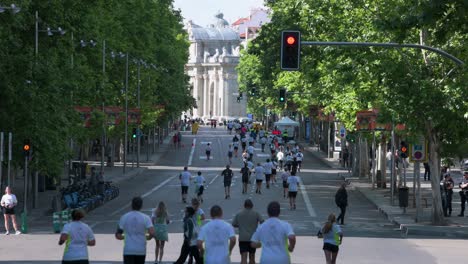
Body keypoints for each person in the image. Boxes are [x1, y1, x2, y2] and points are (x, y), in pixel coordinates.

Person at [115, 197, 155, 264]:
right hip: (141, 249)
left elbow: (118, 235)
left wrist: (125, 237)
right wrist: (148, 237)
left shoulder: (124, 217)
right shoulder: (146, 218)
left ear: (131, 205)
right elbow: (152, 232)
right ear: (141, 206)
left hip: (128, 250)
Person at [232, 199, 264, 264]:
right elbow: (262, 222)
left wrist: (240, 226)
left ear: (244, 205)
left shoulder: (239, 213)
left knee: (243, 256)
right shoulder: (256, 213)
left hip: (243, 238)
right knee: (252, 256)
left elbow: (233, 224)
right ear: (252, 205)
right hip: (253, 238)